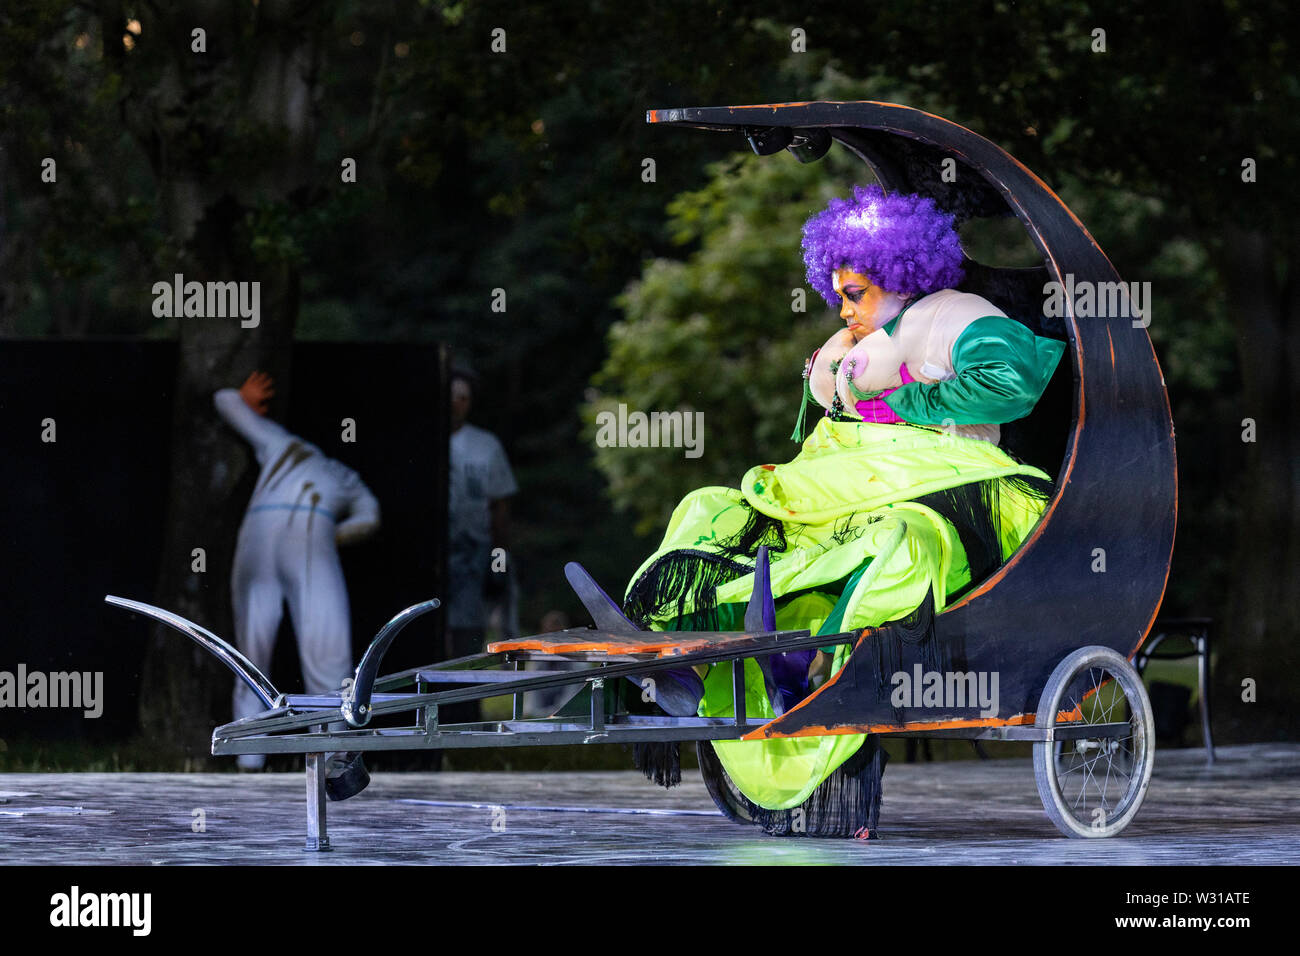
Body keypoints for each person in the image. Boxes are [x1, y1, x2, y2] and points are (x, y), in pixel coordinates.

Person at [621, 185, 1065, 836]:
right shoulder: (852, 339)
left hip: (935, 479)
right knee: (707, 505)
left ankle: (822, 671)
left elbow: (1015, 379)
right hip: (837, 485)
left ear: (899, 274)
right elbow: (826, 421)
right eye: (838, 294)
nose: (843, 307)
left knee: (898, 538)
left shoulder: (953, 314)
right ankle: (680, 642)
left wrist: (906, 401)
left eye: (855, 292)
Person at [215, 371, 380, 798]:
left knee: (321, 651)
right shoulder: (289, 445)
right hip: (282, 538)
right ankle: (253, 758)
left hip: (297, 536)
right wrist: (243, 398)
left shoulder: (335, 471)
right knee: (255, 653)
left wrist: (332, 536)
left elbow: (370, 516)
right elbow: (224, 401)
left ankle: (327, 757)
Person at [445, 368, 518, 722]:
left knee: (468, 634)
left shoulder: (485, 445)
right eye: (452, 395)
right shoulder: (417, 437)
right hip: (431, 560)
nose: (457, 404)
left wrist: (498, 562)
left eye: (464, 397)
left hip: (472, 558)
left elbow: (499, 508)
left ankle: (465, 712)